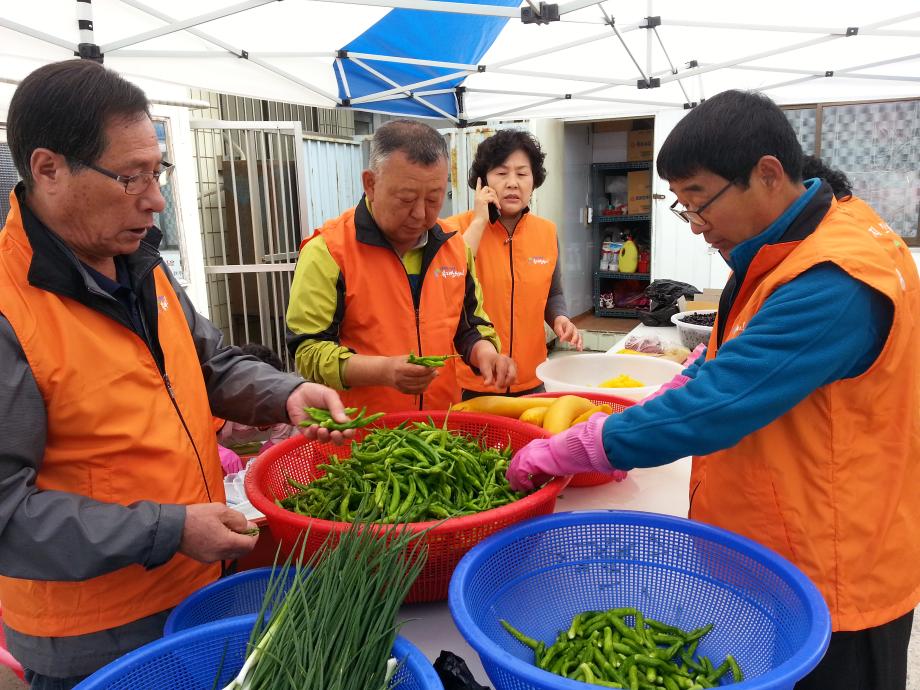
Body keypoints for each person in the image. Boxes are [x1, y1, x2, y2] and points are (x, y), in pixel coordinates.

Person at [508, 90, 920, 690]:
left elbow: (717, 407)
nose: (697, 227)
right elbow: (742, 355)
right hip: (785, 548)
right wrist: (688, 375)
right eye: (683, 207)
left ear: (768, 175)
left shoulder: (836, 278)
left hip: (834, 574)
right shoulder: (804, 237)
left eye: (700, 201)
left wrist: (588, 444)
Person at [0, 60, 352, 687]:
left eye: (156, 172)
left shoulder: (138, 261)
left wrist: (287, 392)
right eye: (129, 177)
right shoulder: (8, 310)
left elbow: (209, 361)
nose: (156, 198)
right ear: (48, 168)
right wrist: (168, 527)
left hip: (197, 580)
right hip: (95, 629)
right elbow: (7, 513)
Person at [286, 119, 516, 413]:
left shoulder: (454, 248)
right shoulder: (329, 251)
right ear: (370, 183)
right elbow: (309, 351)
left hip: (438, 434)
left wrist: (487, 354)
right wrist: (384, 371)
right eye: (406, 199)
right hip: (360, 438)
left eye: (434, 199)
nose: (420, 214)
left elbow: (470, 326)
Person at [441, 129, 582, 399]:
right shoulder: (454, 229)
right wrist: (480, 221)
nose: (512, 183)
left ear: (534, 180)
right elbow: (448, 280)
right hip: (471, 383)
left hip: (531, 379)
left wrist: (560, 318)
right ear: (483, 181)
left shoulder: (546, 232)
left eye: (522, 173)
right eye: (501, 173)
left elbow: (553, 292)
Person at [217, 343, 299, 452]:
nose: (264, 399)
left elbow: (278, 444)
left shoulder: (282, 405)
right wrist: (219, 451)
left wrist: (270, 449)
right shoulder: (216, 402)